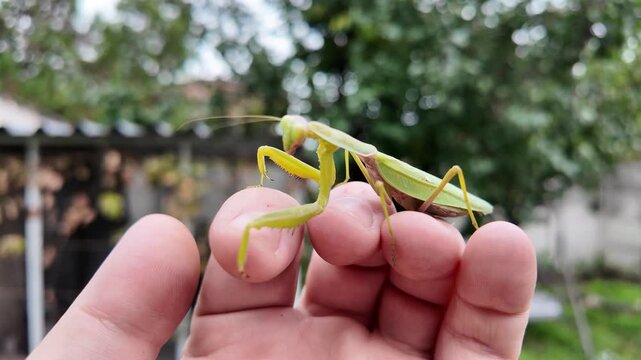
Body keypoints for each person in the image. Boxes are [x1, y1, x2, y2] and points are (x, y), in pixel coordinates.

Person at [28, 182, 537, 359]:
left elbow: (335, 205)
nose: (289, 145)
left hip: (442, 200)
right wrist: (258, 198)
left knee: (363, 220)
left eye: (296, 136)